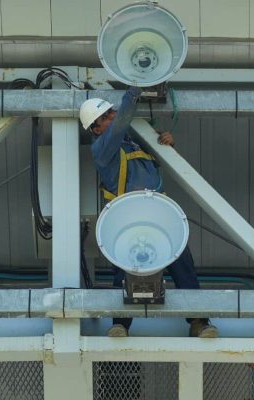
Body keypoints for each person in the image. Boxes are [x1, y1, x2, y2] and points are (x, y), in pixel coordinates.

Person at [79, 86, 218, 338]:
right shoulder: (102, 149)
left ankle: (199, 321)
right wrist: (133, 90)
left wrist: (164, 141)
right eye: (106, 117)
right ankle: (120, 324)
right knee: (124, 267)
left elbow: (149, 152)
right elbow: (121, 123)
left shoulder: (134, 143)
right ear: (96, 129)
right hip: (128, 216)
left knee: (181, 261)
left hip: (157, 213)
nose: (113, 117)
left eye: (112, 113)